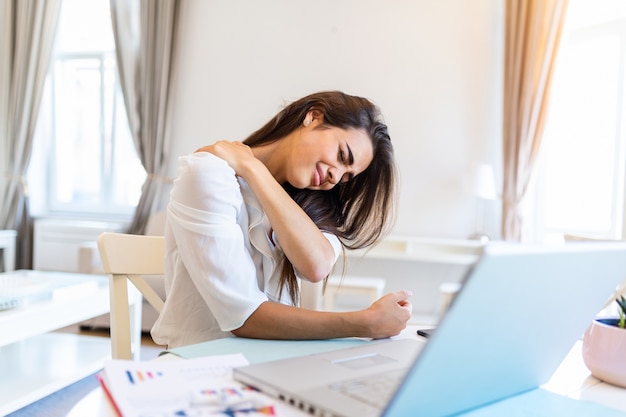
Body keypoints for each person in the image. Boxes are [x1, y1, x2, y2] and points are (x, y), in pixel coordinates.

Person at [151, 91, 412, 348]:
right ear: (314, 116)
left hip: (276, 366)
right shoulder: (209, 175)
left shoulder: (315, 210)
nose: (336, 177)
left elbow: (316, 265)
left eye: (346, 177)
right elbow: (243, 318)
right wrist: (364, 322)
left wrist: (254, 170)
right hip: (201, 369)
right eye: (342, 156)